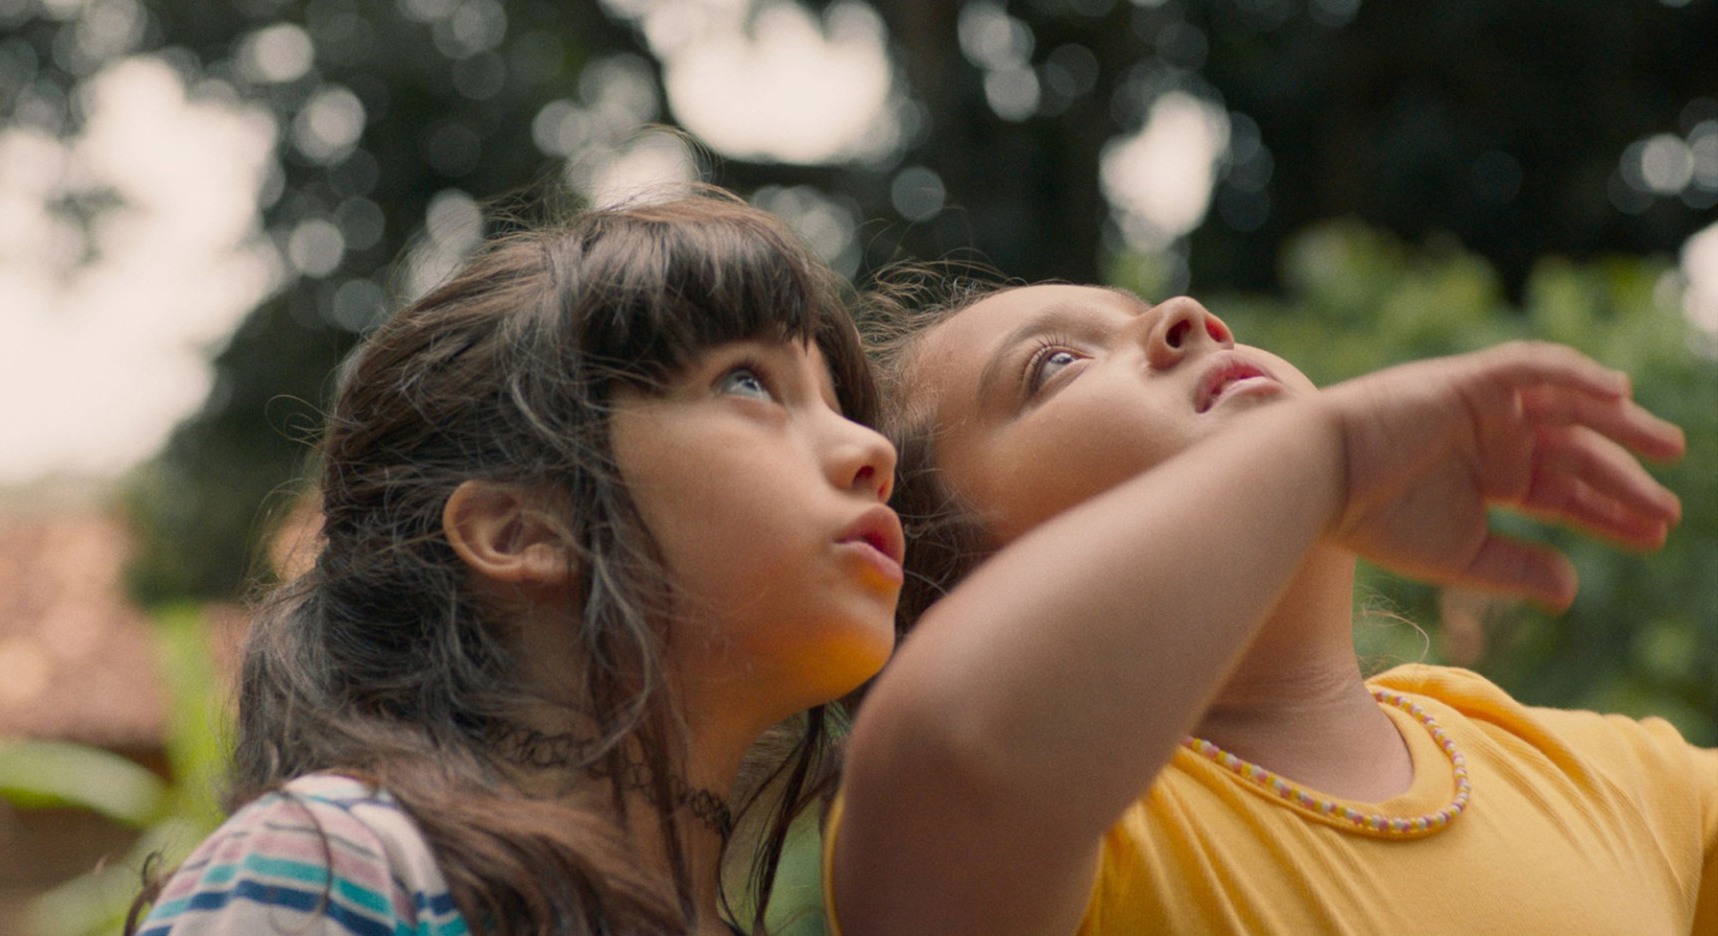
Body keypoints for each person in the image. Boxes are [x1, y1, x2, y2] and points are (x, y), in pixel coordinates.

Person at [825, 282, 1717, 934]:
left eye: (1143, 309)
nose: (1184, 315)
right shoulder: (1062, 852)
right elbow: (958, 752)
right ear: (957, 592)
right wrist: (1329, 454)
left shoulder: (1607, 775)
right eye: (1055, 365)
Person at [131, 190, 906, 936]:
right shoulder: (340, 869)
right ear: (520, 531)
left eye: (839, 404)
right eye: (749, 382)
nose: (872, 450)